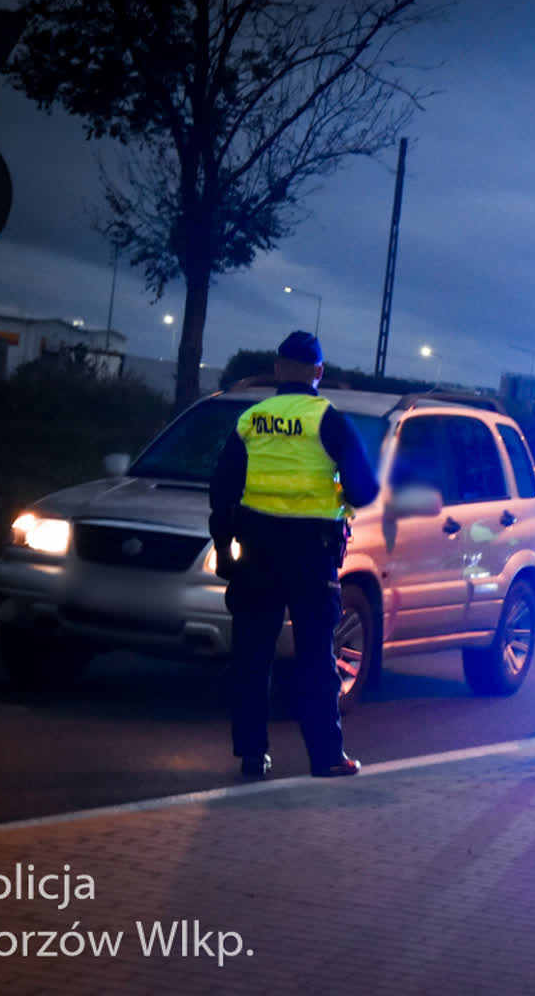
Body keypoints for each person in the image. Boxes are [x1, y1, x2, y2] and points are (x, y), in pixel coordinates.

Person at [209, 331, 379, 780]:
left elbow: (222, 490)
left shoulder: (251, 419)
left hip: (257, 552)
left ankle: (251, 754)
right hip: (311, 554)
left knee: (251, 655)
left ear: (278, 369)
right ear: (318, 373)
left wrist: (225, 550)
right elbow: (364, 490)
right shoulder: (329, 420)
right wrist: (339, 488)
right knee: (314, 657)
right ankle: (325, 757)